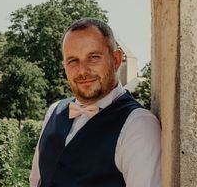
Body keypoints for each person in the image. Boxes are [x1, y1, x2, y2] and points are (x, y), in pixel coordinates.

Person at [30, 18, 162, 187]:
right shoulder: (54, 111)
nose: (82, 70)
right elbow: (36, 181)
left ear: (116, 59)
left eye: (93, 57)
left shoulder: (138, 125)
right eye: (73, 61)